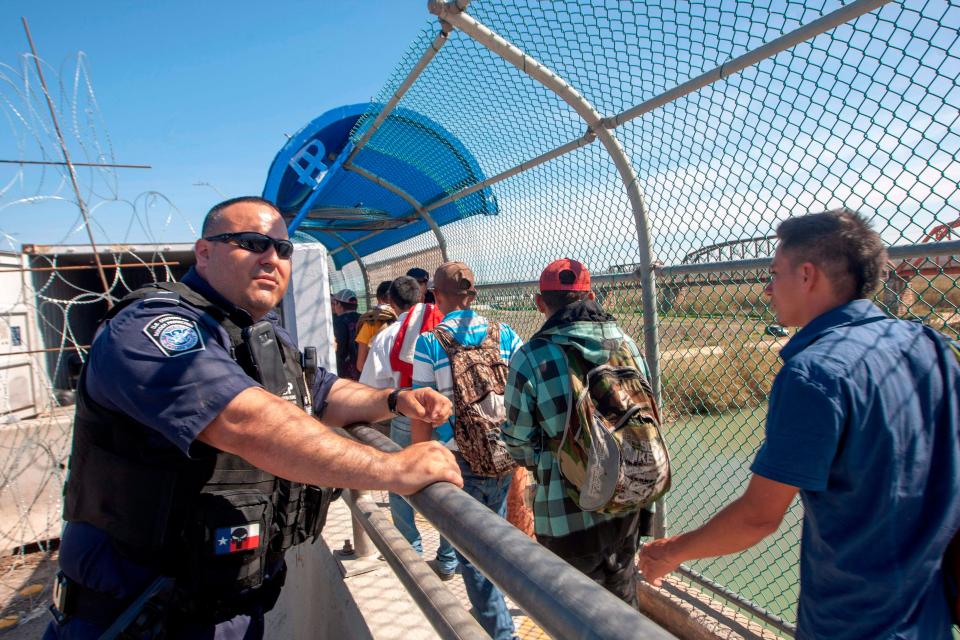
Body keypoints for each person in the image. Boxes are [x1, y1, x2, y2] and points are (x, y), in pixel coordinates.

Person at [44, 196, 462, 640]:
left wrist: (394, 400)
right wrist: (392, 468)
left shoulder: (256, 333)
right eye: (250, 243)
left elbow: (319, 391)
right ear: (203, 253)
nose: (272, 258)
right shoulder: (153, 328)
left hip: (225, 606)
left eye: (283, 249)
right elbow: (244, 420)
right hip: (136, 616)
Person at [637, 209, 960, 639]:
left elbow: (759, 517)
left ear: (807, 276)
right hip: (929, 614)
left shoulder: (812, 374)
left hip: (852, 621)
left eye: (774, 273)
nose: (767, 289)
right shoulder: (930, 346)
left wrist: (670, 552)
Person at [501, 258, 653, 606]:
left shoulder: (530, 357)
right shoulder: (628, 346)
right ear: (593, 296)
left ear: (541, 303)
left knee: (573, 613)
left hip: (565, 514)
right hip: (629, 502)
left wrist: (549, 457)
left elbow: (517, 442)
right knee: (622, 608)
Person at [411, 261, 523, 640]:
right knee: (496, 534)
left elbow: (423, 410)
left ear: (437, 297)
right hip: (504, 453)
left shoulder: (429, 343)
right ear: (472, 296)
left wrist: (417, 463)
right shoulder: (504, 333)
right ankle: (501, 615)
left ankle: (500, 633)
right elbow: (522, 390)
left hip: (458, 458)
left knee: (472, 555)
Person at [360, 276, 458, 579]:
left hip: (406, 414)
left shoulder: (388, 336)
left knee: (402, 481)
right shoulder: (446, 328)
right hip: (449, 415)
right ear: (422, 295)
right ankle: (448, 558)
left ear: (391, 302)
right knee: (446, 483)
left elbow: (370, 386)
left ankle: (412, 552)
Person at [355, 280, 397, 373]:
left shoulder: (370, 322)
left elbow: (360, 365)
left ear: (379, 299)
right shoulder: (406, 319)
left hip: (376, 381)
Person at [331, 288, 361, 380]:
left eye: (334, 303)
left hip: (345, 373)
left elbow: (340, 348)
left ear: (339, 304)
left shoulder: (337, 322)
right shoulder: (364, 319)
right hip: (364, 369)